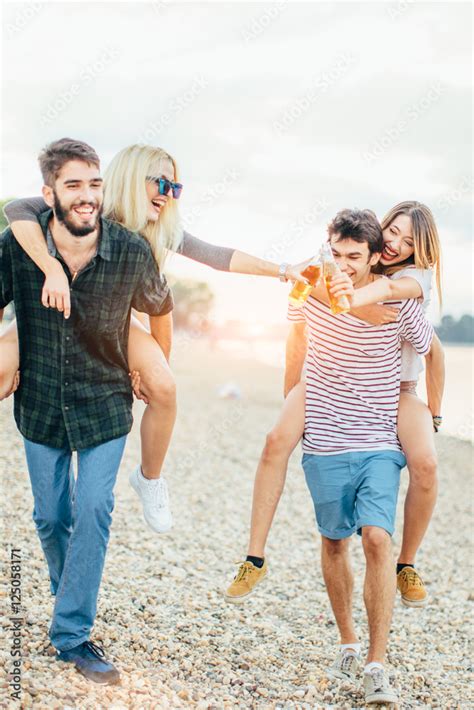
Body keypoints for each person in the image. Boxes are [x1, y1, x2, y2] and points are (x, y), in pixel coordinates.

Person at [1, 144, 309, 534]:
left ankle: (150, 478)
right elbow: (17, 211)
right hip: (46, 314)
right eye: (161, 182)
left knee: (164, 386)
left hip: (112, 320)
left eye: (176, 187)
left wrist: (283, 270)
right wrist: (49, 267)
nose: (168, 193)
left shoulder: (157, 230)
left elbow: (217, 258)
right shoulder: (88, 204)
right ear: (130, 178)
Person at [0, 138, 174, 684]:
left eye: (94, 184)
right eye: (73, 185)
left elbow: (161, 307)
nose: (87, 196)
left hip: (104, 403)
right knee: (51, 517)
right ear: (48, 192)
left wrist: (154, 366)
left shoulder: (129, 251)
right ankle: (67, 588)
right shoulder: (17, 248)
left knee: (95, 508)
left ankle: (72, 634)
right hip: (42, 402)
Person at [247, 209, 436, 705]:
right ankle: (347, 644)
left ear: (376, 257)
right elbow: (296, 335)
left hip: (379, 438)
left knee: (377, 537)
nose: (346, 263)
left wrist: (431, 412)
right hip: (326, 439)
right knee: (334, 543)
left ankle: (378, 662)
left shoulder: (408, 293)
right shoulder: (315, 282)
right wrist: (293, 395)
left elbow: (431, 349)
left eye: (358, 255)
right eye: (338, 253)